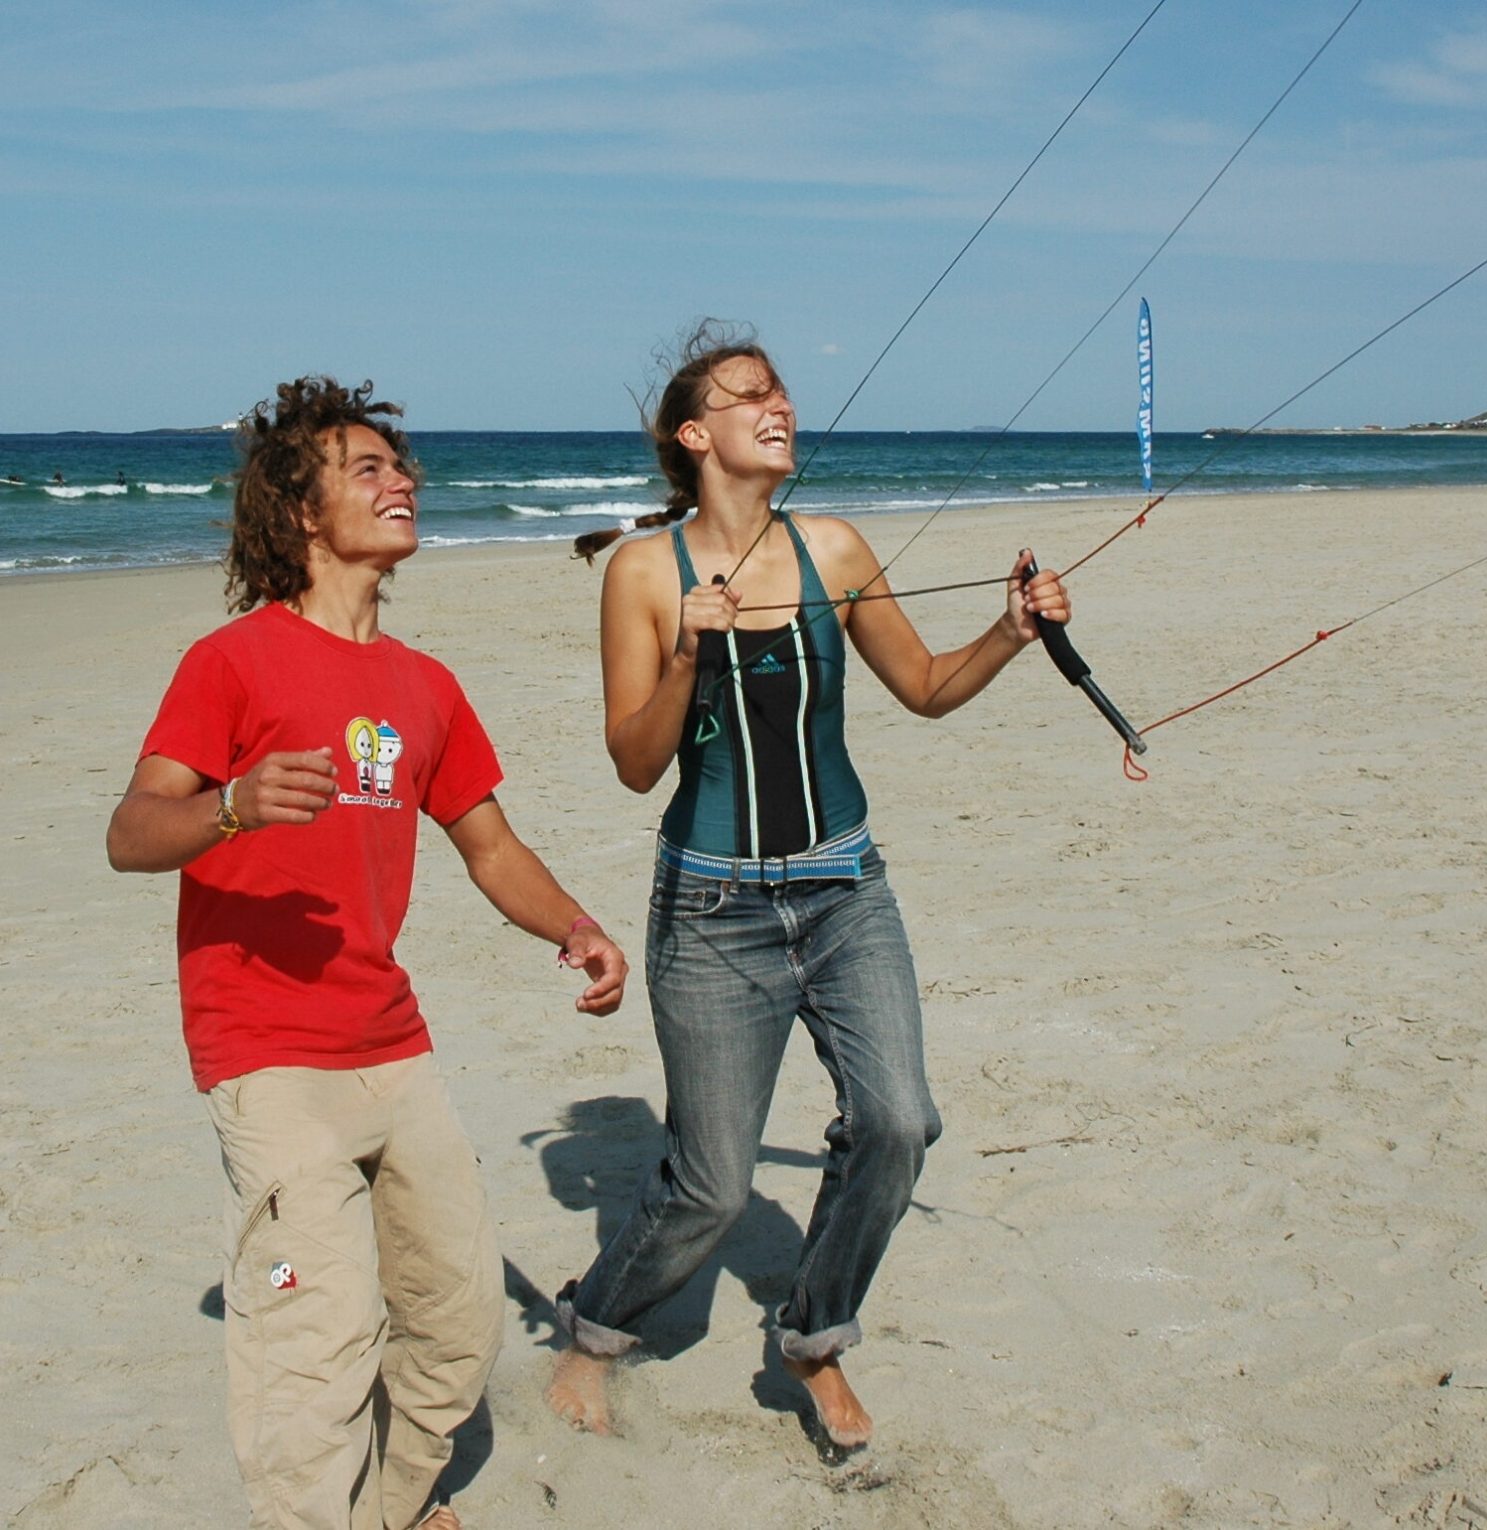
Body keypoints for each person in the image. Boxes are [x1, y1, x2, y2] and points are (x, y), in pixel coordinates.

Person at [106, 376, 630, 1530]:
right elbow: (130, 832)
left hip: (391, 1043)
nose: (403, 482)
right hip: (264, 1050)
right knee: (321, 1333)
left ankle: (390, 1508)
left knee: (457, 1323)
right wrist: (232, 806)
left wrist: (578, 927)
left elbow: (490, 845)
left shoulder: (425, 686)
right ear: (302, 508)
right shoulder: (232, 663)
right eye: (369, 469)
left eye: (403, 467)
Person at [544, 322, 1071, 1448]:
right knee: (711, 1187)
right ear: (695, 435)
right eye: (750, 396)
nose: (778, 407)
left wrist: (1012, 630)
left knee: (898, 1122)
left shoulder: (834, 548)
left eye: (780, 391)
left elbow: (926, 686)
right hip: (711, 911)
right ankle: (593, 1331)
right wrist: (687, 654)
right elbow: (634, 763)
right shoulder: (644, 571)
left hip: (844, 892)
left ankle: (814, 1338)